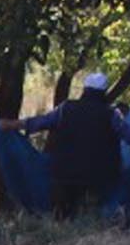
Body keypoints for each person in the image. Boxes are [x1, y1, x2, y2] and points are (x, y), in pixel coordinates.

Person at [17, 71, 124, 219]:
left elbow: (41, 122)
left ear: (85, 89)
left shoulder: (66, 108)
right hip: (101, 177)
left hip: (65, 175)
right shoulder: (112, 114)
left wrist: (12, 124)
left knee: (64, 215)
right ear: (104, 92)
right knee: (96, 215)